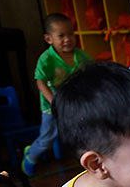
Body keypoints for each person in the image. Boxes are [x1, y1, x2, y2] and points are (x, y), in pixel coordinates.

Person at [21, 14, 91, 177]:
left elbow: (92, 70)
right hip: (51, 106)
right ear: (49, 39)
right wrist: (54, 102)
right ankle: (31, 156)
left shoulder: (80, 56)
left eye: (71, 34)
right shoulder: (47, 59)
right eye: (61, 36)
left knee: (82, 130)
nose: (68, 39)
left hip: (73, 102)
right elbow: (40, 82)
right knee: (47, 138)